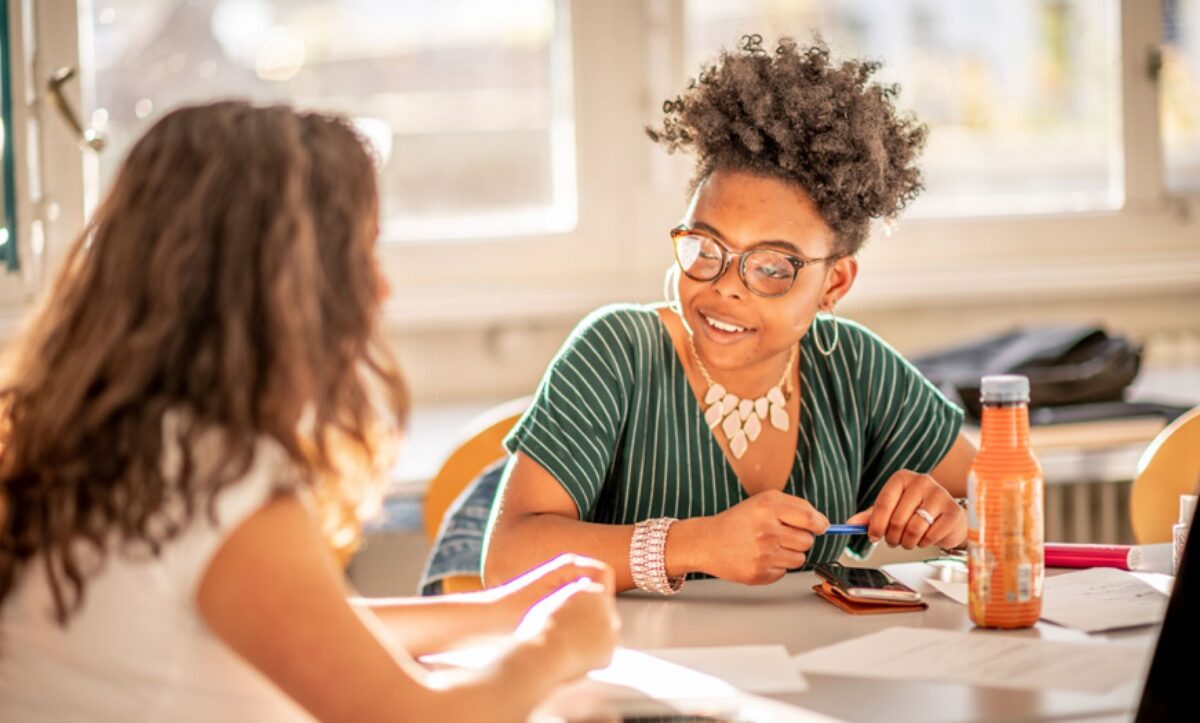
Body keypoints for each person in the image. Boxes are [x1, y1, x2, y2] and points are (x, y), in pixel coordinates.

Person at [0, 101, 617, 722]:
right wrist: (555, 648)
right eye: (362, 254)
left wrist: (496, 612)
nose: (381, 288)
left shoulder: (102, 439)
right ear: (282, 284)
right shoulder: (215, 478)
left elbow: (296, 630)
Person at [484, 35, 976, 595]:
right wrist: (697, 544)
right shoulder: (618, 350)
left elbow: (1008, 495)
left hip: (815, 676)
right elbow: (506, 557)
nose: (724, 287)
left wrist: (958, 525)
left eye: (770, 267)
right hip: (639, 679)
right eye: (705, 246)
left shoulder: (853, 366)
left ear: (833, 283)